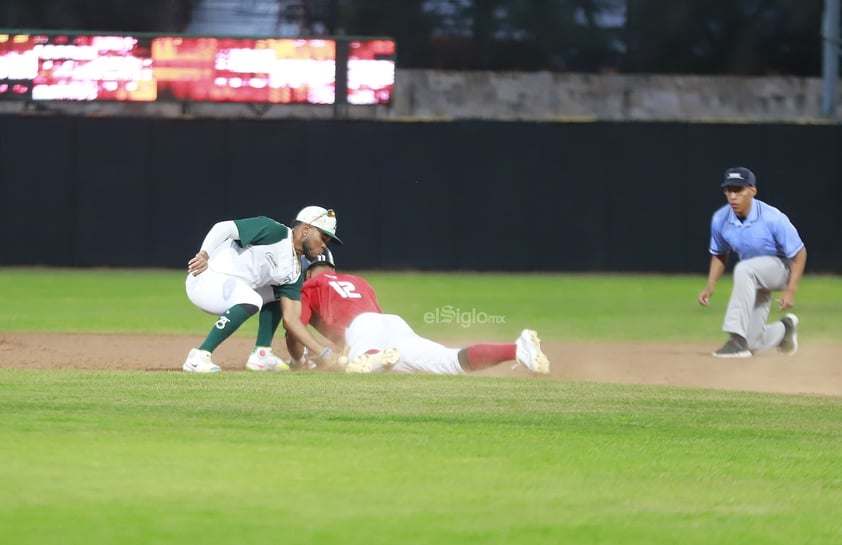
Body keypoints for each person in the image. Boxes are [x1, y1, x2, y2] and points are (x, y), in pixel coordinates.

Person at [288, 249, 550, 375]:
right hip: (392, 325)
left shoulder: (310, 285)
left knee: (359, 367)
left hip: (363, 328)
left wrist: (300, 361)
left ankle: (372, 357)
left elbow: (295, 328)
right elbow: (373, 321)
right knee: (451, 362)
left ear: (305, 271)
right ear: (333, 268)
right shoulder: (359, 281)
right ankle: (516, 349)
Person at [182, 206, 343, 373]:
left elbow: (291, 320)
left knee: (279, 295)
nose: (324, 245)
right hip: (205, 279)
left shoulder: (294, 273)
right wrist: (205, 253)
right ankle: (199, 356)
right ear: (306, 229)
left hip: (234, 292)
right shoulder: (274, 232)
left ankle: (262, 353)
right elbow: (224, 227)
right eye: (323, 237)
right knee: (253, 300)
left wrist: (322, 353)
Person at [698, 167, 806, 358]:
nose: (733, 196)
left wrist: (791, 290)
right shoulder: (720, 219)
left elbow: (799, 253)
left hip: (782, 269)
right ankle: (785, 329)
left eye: (738, 190)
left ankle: (736, 339)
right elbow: (720, 253)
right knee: (754, 343)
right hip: (754, 277)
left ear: (752, 190)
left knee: (744, 269)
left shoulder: (773, 217)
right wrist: (710, 284)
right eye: (729, 190)